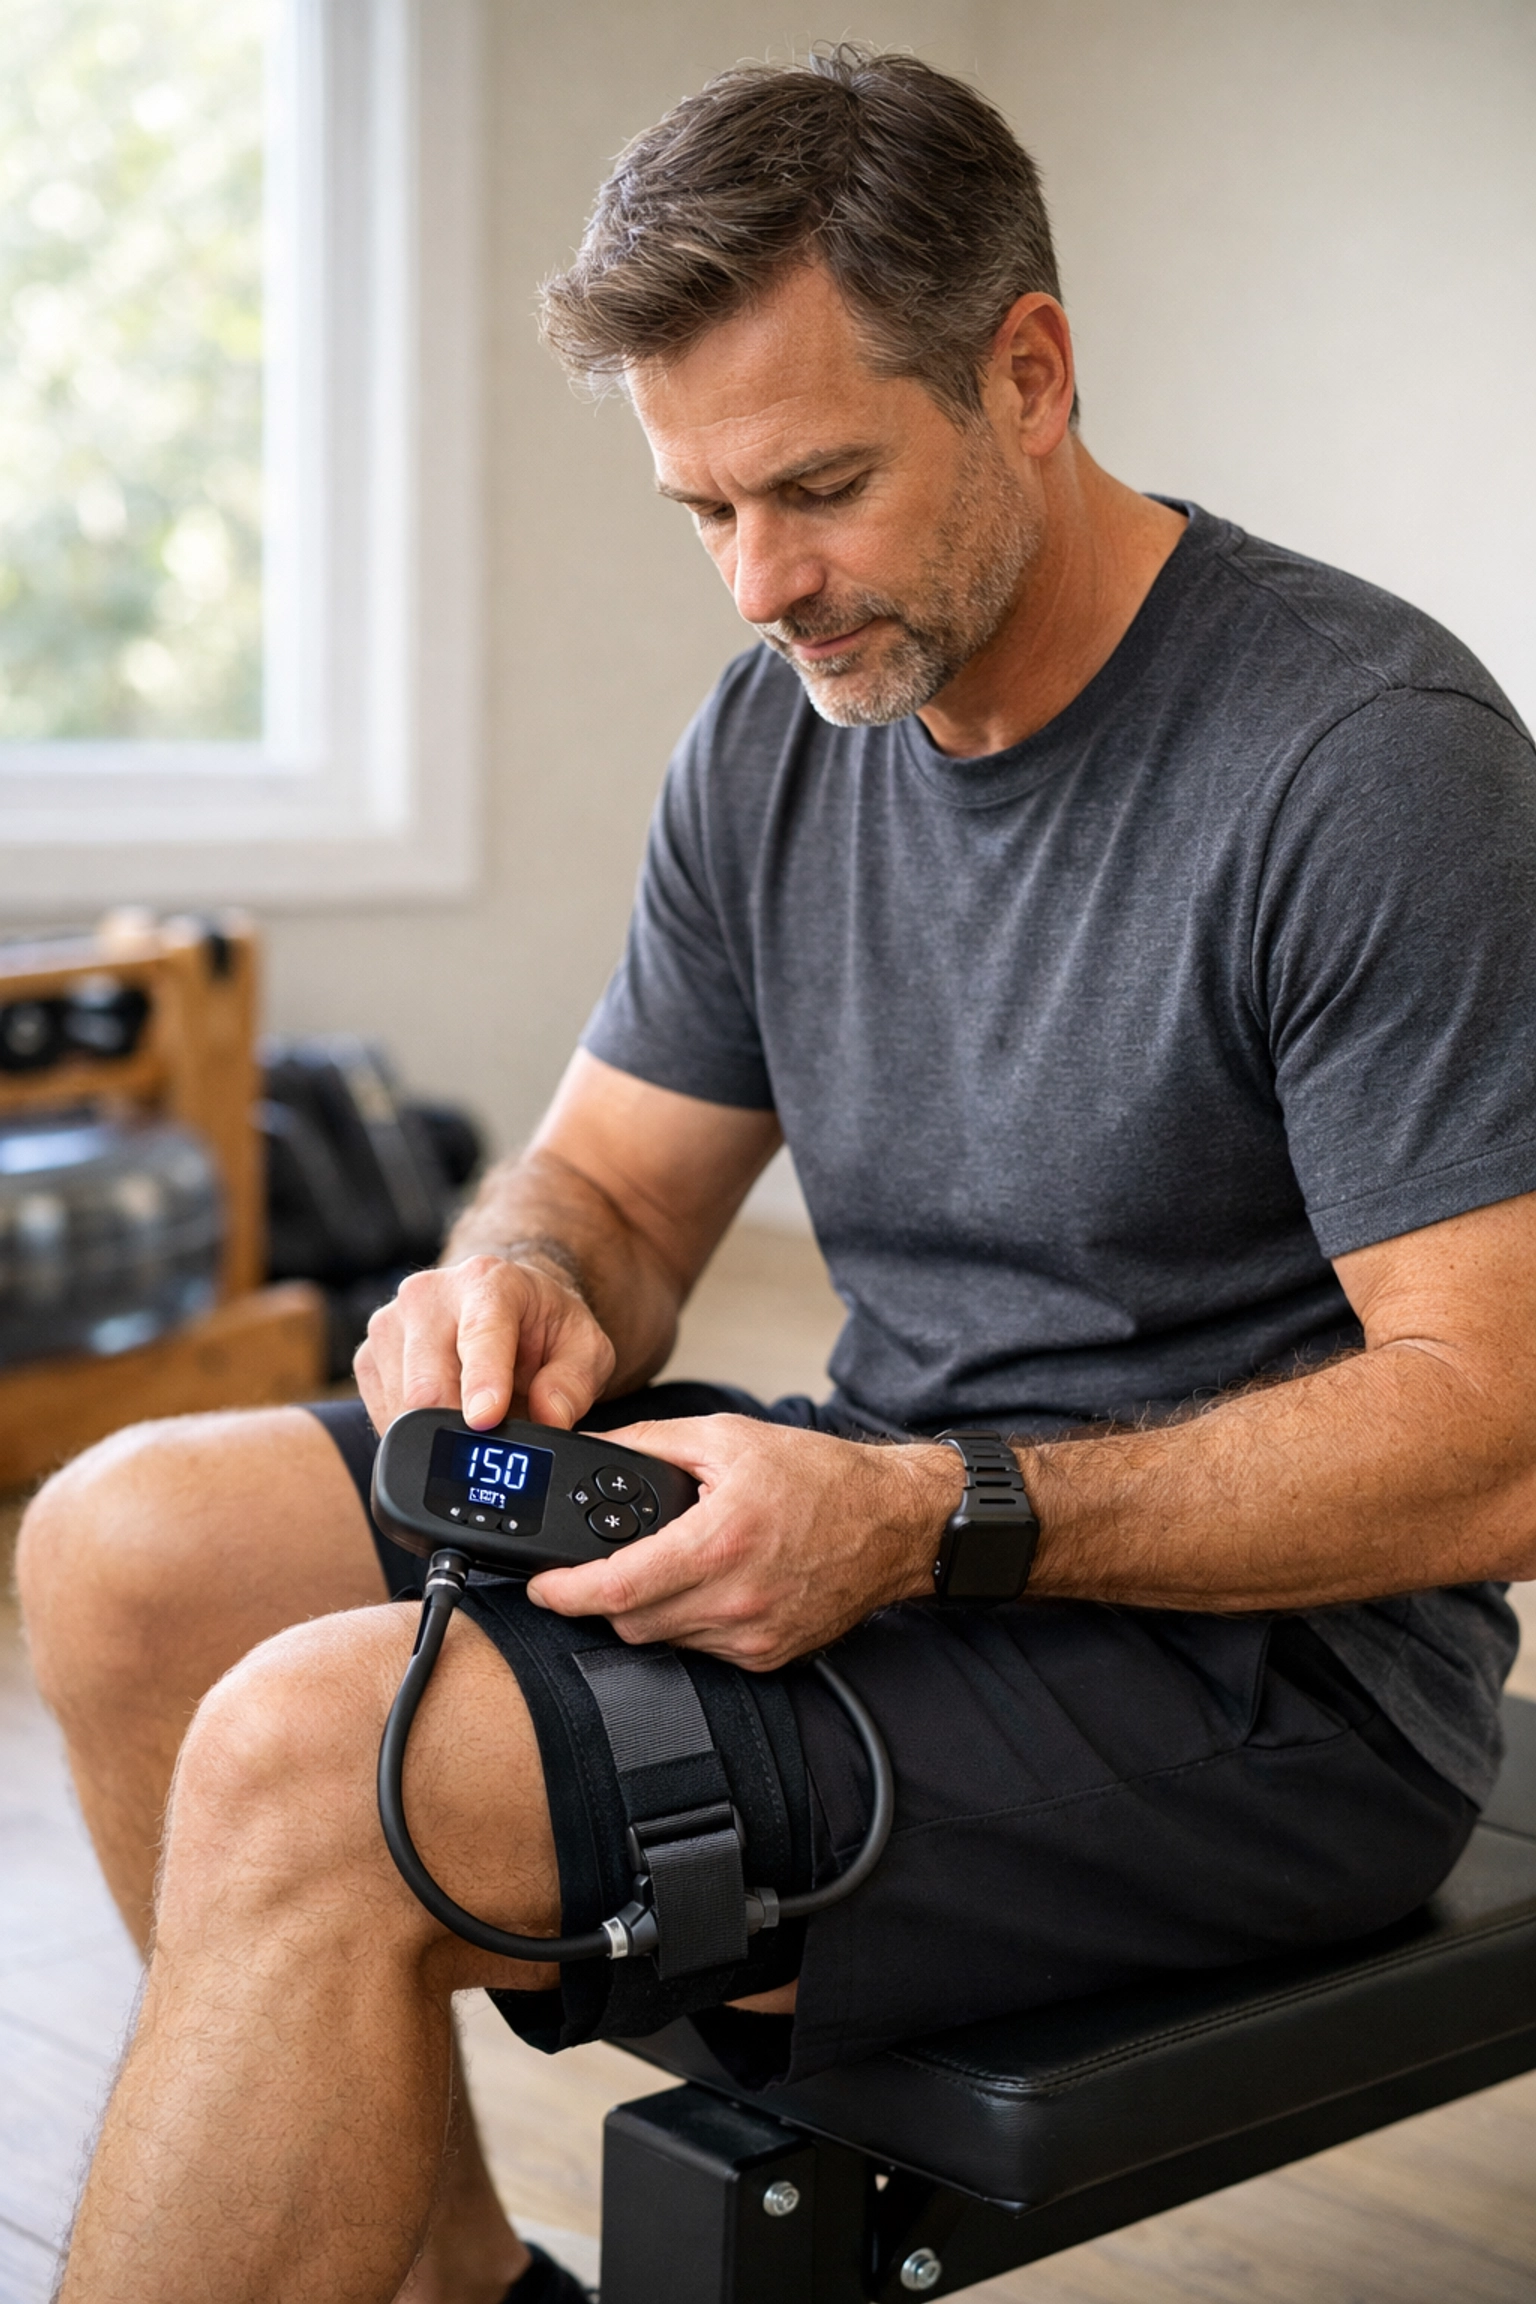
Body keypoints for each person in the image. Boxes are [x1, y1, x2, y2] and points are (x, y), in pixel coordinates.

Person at [19, 44, 1536, 2304]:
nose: (756, 583)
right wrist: (513, 1278)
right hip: (889, 1510)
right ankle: (442, 2275)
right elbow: (610, 1198)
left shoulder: (1363, 766)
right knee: (123, 1544)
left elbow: (1502, 1438)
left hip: (1264, 1685)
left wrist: (935, 1518)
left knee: (313, 1765)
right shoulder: (781, 731)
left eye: (814, 487)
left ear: (1030, 373)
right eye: (702, 511)